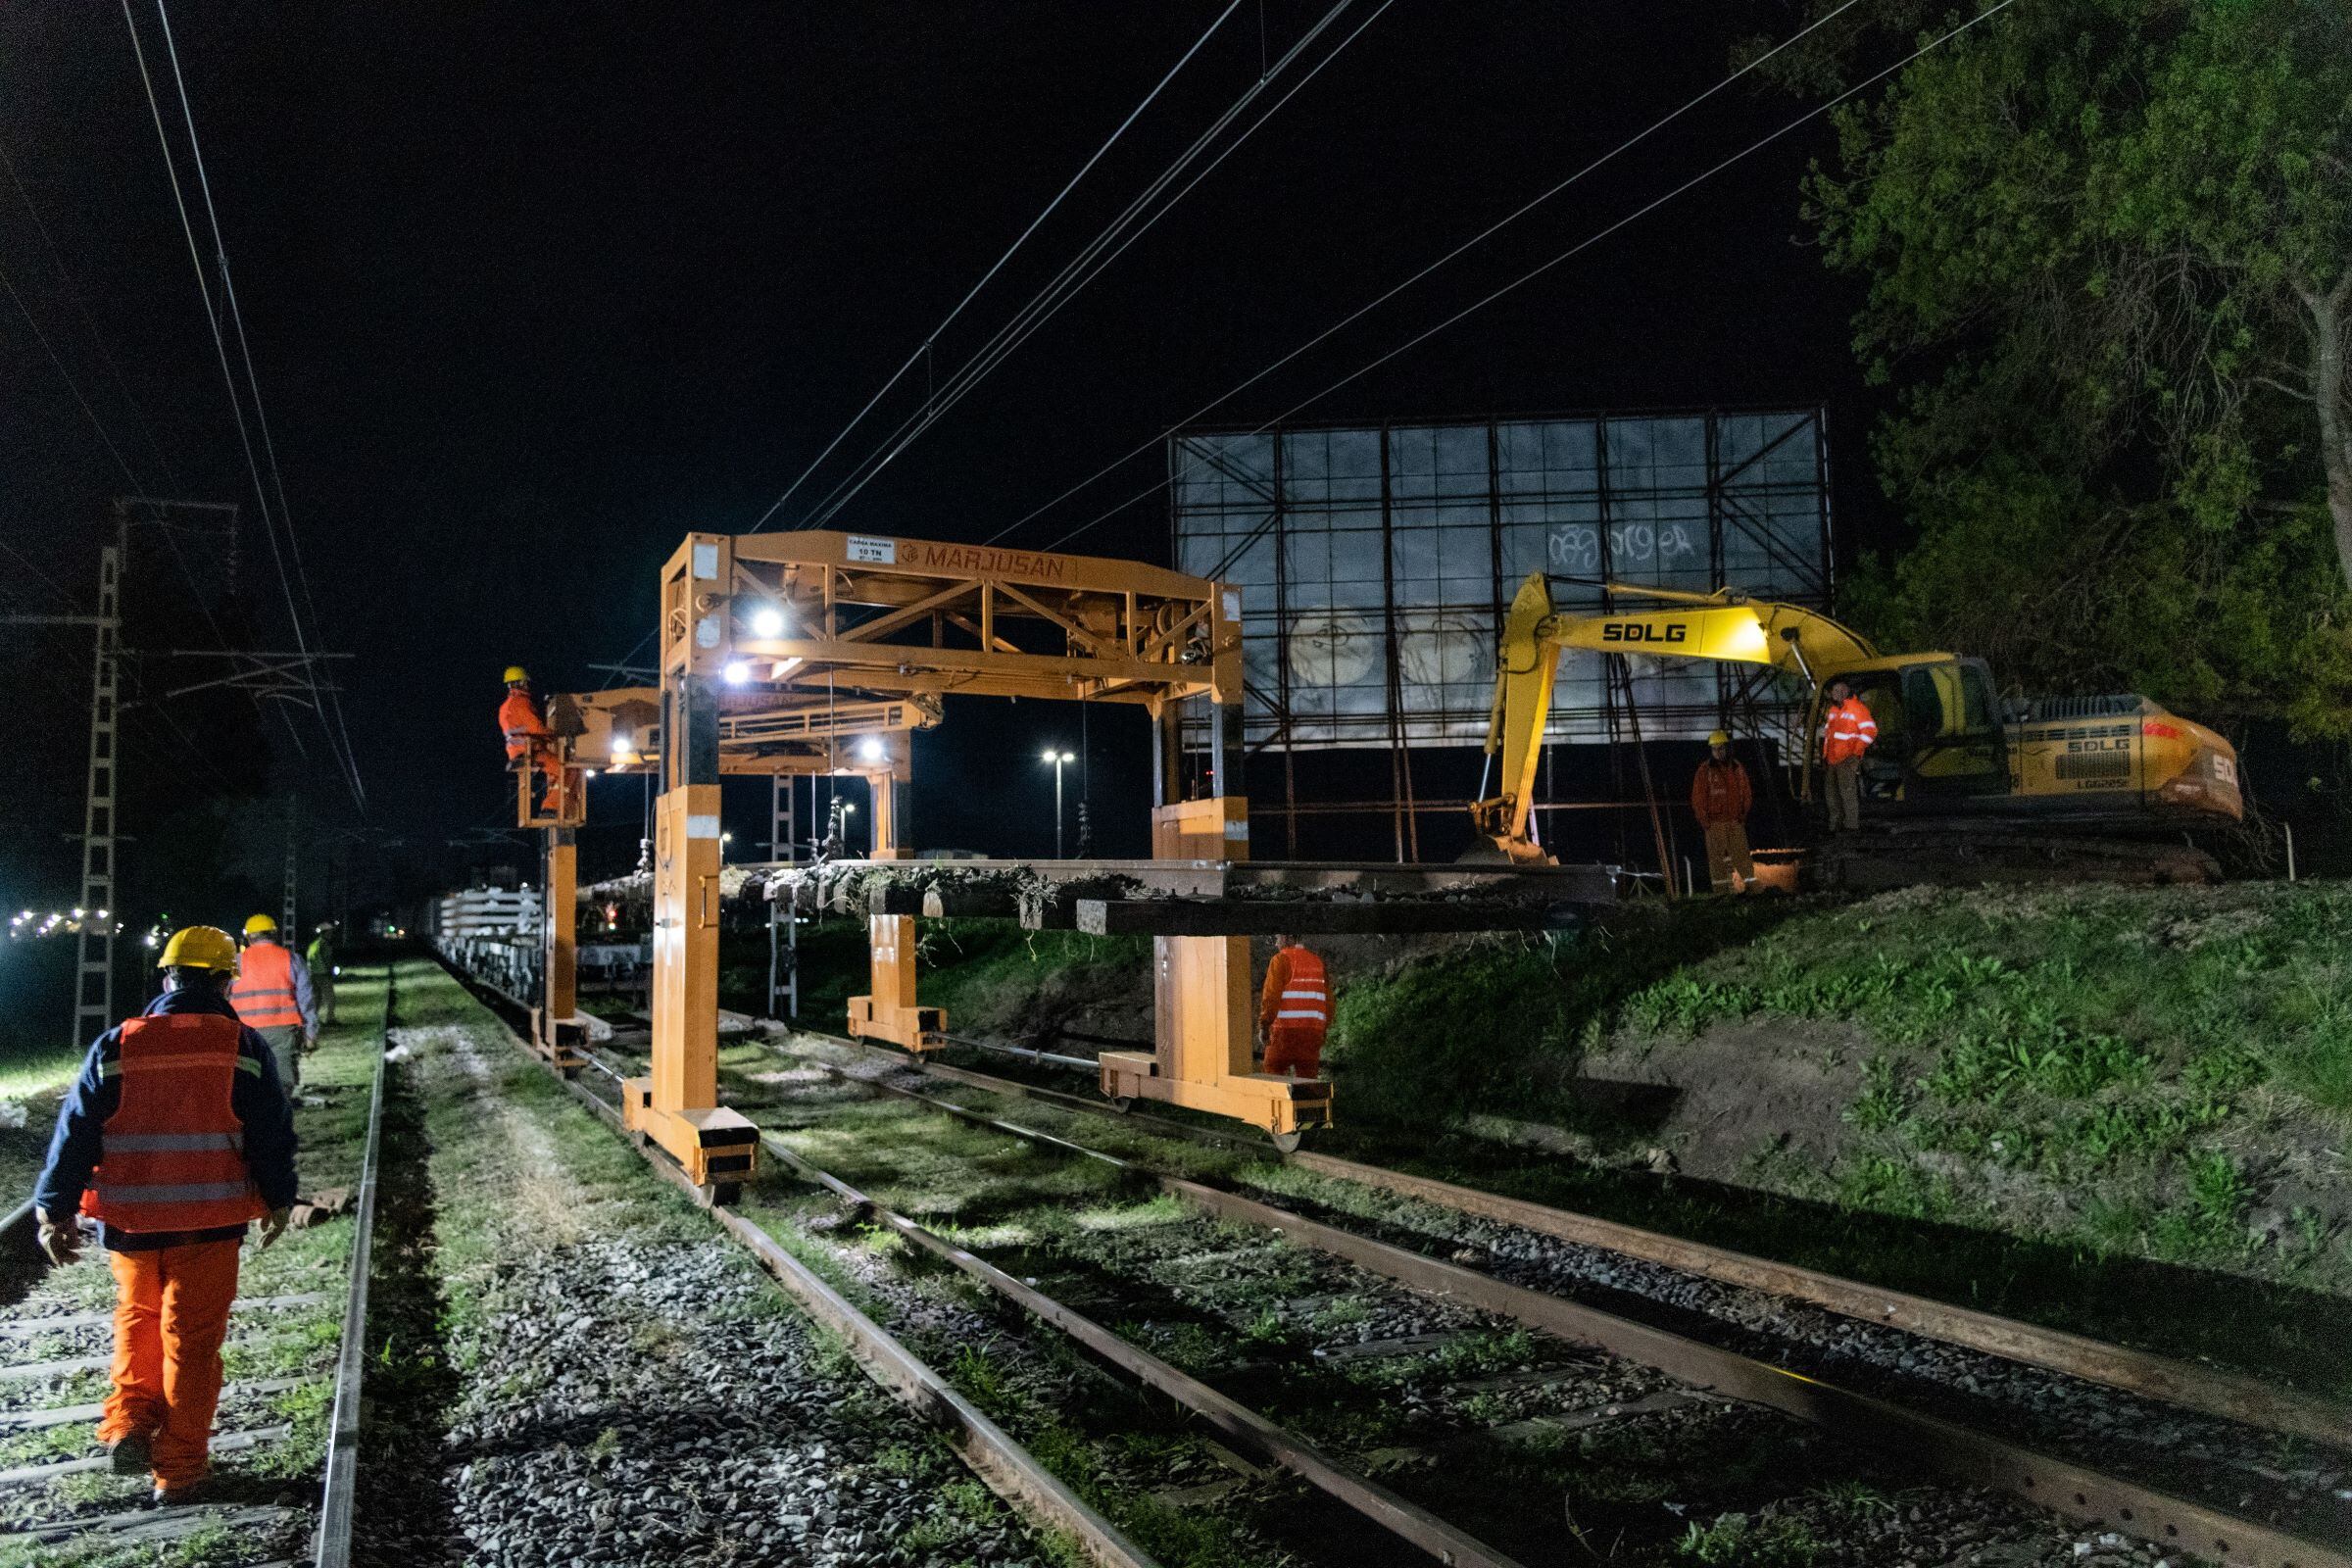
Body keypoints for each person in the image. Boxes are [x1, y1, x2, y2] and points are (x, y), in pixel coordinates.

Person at [33, 925, 297, 1505]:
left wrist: (55, 1210)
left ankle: (128, 1424)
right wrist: (280, 1198)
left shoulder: (118, 1043)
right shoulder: (243, 1047)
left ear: (166, 976)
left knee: (137, 1317)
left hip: (129, 1223)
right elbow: (271, 1135)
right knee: (192, 1343)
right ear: (228, 981)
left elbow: (74, 1132)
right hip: (209, 1222)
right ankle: (177, 1472)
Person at [226, 914, 317, 1089]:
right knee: (282, 1080)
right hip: (283, 1030)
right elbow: (306, 999)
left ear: (249, 937)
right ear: (274, 934)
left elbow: (223, 996)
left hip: (244, 1033)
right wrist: (311, 1033)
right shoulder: (291, 959)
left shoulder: (234, 963)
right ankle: (279, 1112)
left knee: (248, 1080)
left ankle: (253, 1113)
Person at [1690, 730, 1756, 894]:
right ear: (1711, 750)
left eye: (1721, 748)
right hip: (1715, 823)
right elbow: (1698, 799)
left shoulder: (1737, 768)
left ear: (1727, 748)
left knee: (1742, 856)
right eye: (1715, 749)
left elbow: (1746, 793)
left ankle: (1752, 889)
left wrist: (1742, 815)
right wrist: (1706, 822)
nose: (1718, 752)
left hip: (1734, 821)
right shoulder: (1704, 771)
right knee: (1717, 860)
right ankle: (1721, 893)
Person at [498, 665, 568, 814]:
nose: (527, 686)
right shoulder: (520, 702)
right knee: (568, 769)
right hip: (530, 750)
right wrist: (555, 734)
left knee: (555, 770)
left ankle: (552, 805)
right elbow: (536, 727)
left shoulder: (504, 707)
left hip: (516, 752)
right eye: (526, 683)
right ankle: (551, 807)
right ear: (521, 683)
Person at [1256, 935, 1328, 1080]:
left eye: (1277, 938)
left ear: (1287, 938)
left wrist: (1264, 1025)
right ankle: (1309, 1103)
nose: (1276, 943)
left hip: (1284, 1033)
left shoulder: (1280, 960)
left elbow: (1271, 996)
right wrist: (1323, 1030)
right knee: (1308, 1084)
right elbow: (1329, 1002)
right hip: (1312, 1035)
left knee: (1273, 1075)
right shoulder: (1317, 962)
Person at [1821, 676, 1879, 834]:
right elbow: (1830, 735)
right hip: (1832, 759)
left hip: (1847, 758)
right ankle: (1835, 826)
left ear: (1847, 691)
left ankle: (1851, 827)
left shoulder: (1857, 708)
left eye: (1841, 690)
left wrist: (1855, 753)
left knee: (1847, 793)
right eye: (1835, 691)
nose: (1838, 693)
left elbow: (1870, 731)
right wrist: (1825, 755)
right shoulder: (1833, 710)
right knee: (1832, 794)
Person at [305, 922, 338, 1026]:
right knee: (330, 998)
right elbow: (325, 960)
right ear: (325, 933)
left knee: (317, 998)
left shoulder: (314, 944)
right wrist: (329, 971)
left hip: (313, 974)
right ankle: (330, 1019)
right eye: (330, 932)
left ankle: (313, 1020)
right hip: (322, 974)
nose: (331, 934)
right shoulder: (324, 944)